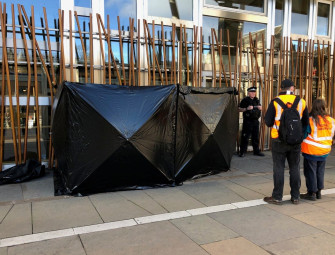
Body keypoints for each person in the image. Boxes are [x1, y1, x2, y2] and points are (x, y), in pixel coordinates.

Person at [263, 79, 309, 205]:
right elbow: (306, 122)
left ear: (281, 88)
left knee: (278, 167)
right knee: (294, 167)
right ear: (293, 88)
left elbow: (267, 122)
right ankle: (295, 197)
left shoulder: (275, 102)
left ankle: (277, 197)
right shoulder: (301, 102)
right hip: (295, 141)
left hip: (278, 140)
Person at [300, 99, 335, 201]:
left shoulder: (310, 120)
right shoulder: (331, 120)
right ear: (324, 107)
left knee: (310, 171)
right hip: (325, 150)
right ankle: (319, 191)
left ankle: (312, 193)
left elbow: (304, 135)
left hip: (311, 150)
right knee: (320, 171)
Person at [238, 86, 264, 157]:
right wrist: (247, 108)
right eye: (252, 92)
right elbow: (239, 109)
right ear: (248, 93)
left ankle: (256, 151)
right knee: (245, 137)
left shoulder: (257, 100)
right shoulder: (245, 100)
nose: (253, 93)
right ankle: (242, 152)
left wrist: (261, 108)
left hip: (255, 121)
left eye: (254, 92)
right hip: (248, 121)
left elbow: (260, 108)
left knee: (255, 137)